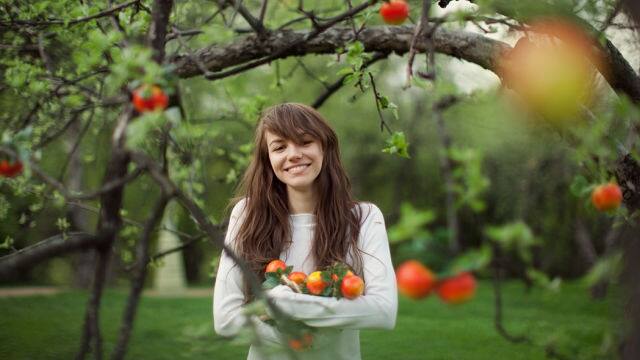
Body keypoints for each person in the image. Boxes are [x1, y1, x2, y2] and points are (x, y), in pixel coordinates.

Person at [213, 103, 397, 360]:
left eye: (305, 141)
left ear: (324, 147)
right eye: (279, 147)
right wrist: (316, 322)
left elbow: (383, 312)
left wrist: (285, 306)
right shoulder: (247, 214)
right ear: (269, 160)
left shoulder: (364, 218)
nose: (293, 154)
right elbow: (226, 319)